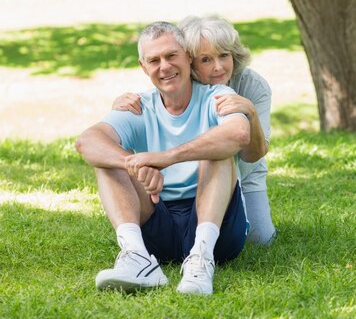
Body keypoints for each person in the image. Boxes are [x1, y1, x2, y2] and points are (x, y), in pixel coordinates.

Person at [75, 21, 251, 295]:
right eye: (154, 60)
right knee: (108, 160)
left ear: (187, 57)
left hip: (216, 229)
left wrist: (166, 158)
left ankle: (201, 260)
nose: (164, 67)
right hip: (158, 223)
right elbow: (87, 141)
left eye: (171, 56)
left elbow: (239, 134)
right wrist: (135, 164)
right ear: (143, 67)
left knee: (216, 148)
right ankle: (137, 258)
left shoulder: (217, 95)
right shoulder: (138, 106)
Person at [113, 15, 276, 246]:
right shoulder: (183, 85)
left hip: (246, 171)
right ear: (190, 62)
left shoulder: (252, 86)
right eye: (206, 59)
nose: (218, 67)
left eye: (224, 56)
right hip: (193, 177)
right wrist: (121, 109)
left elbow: (254, 154)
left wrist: (249, 112)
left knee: (261, 240)